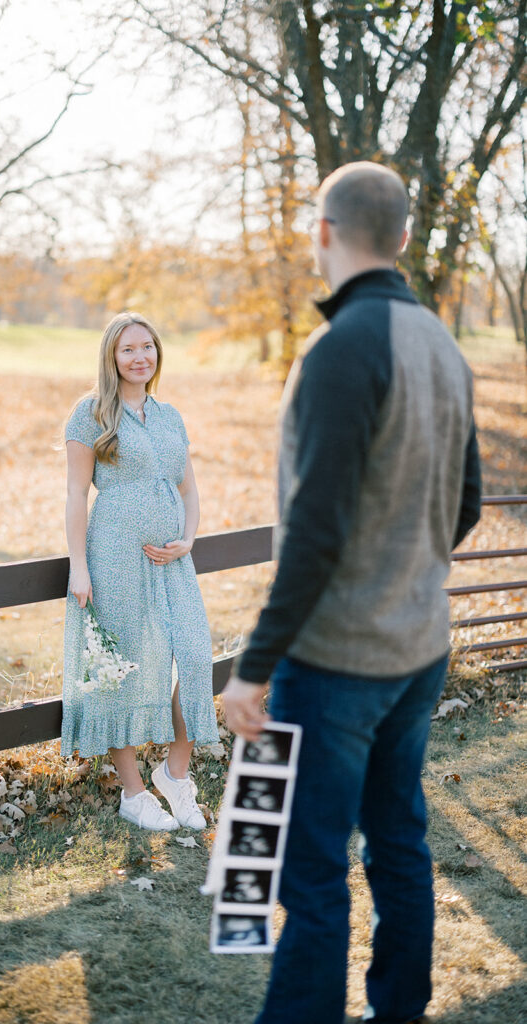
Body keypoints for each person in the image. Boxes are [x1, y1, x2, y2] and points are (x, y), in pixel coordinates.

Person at [222, 162, 482, 1024]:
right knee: (399, 842)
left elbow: (315, 533)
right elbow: (469, 501)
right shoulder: (442, 343)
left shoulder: (341, 350)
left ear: (323, 233)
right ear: (403, 238)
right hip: (418, 650)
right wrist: (406, 571)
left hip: (334, 665)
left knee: (310, 870)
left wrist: (251, 669)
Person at [61, 311, 218, 831]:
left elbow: (188, 488)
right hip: (114, 556)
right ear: (112, 356)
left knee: (195, 656)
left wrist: (188, 540)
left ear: (157, 353)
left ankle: (174, 774)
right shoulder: (90, 414)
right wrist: (79, 567)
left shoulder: (170, 415)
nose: (139, 357)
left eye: (147, 347)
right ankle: (133, 794)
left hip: (173, 561)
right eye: (128, 349)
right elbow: (76, 495)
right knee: (121, 670)